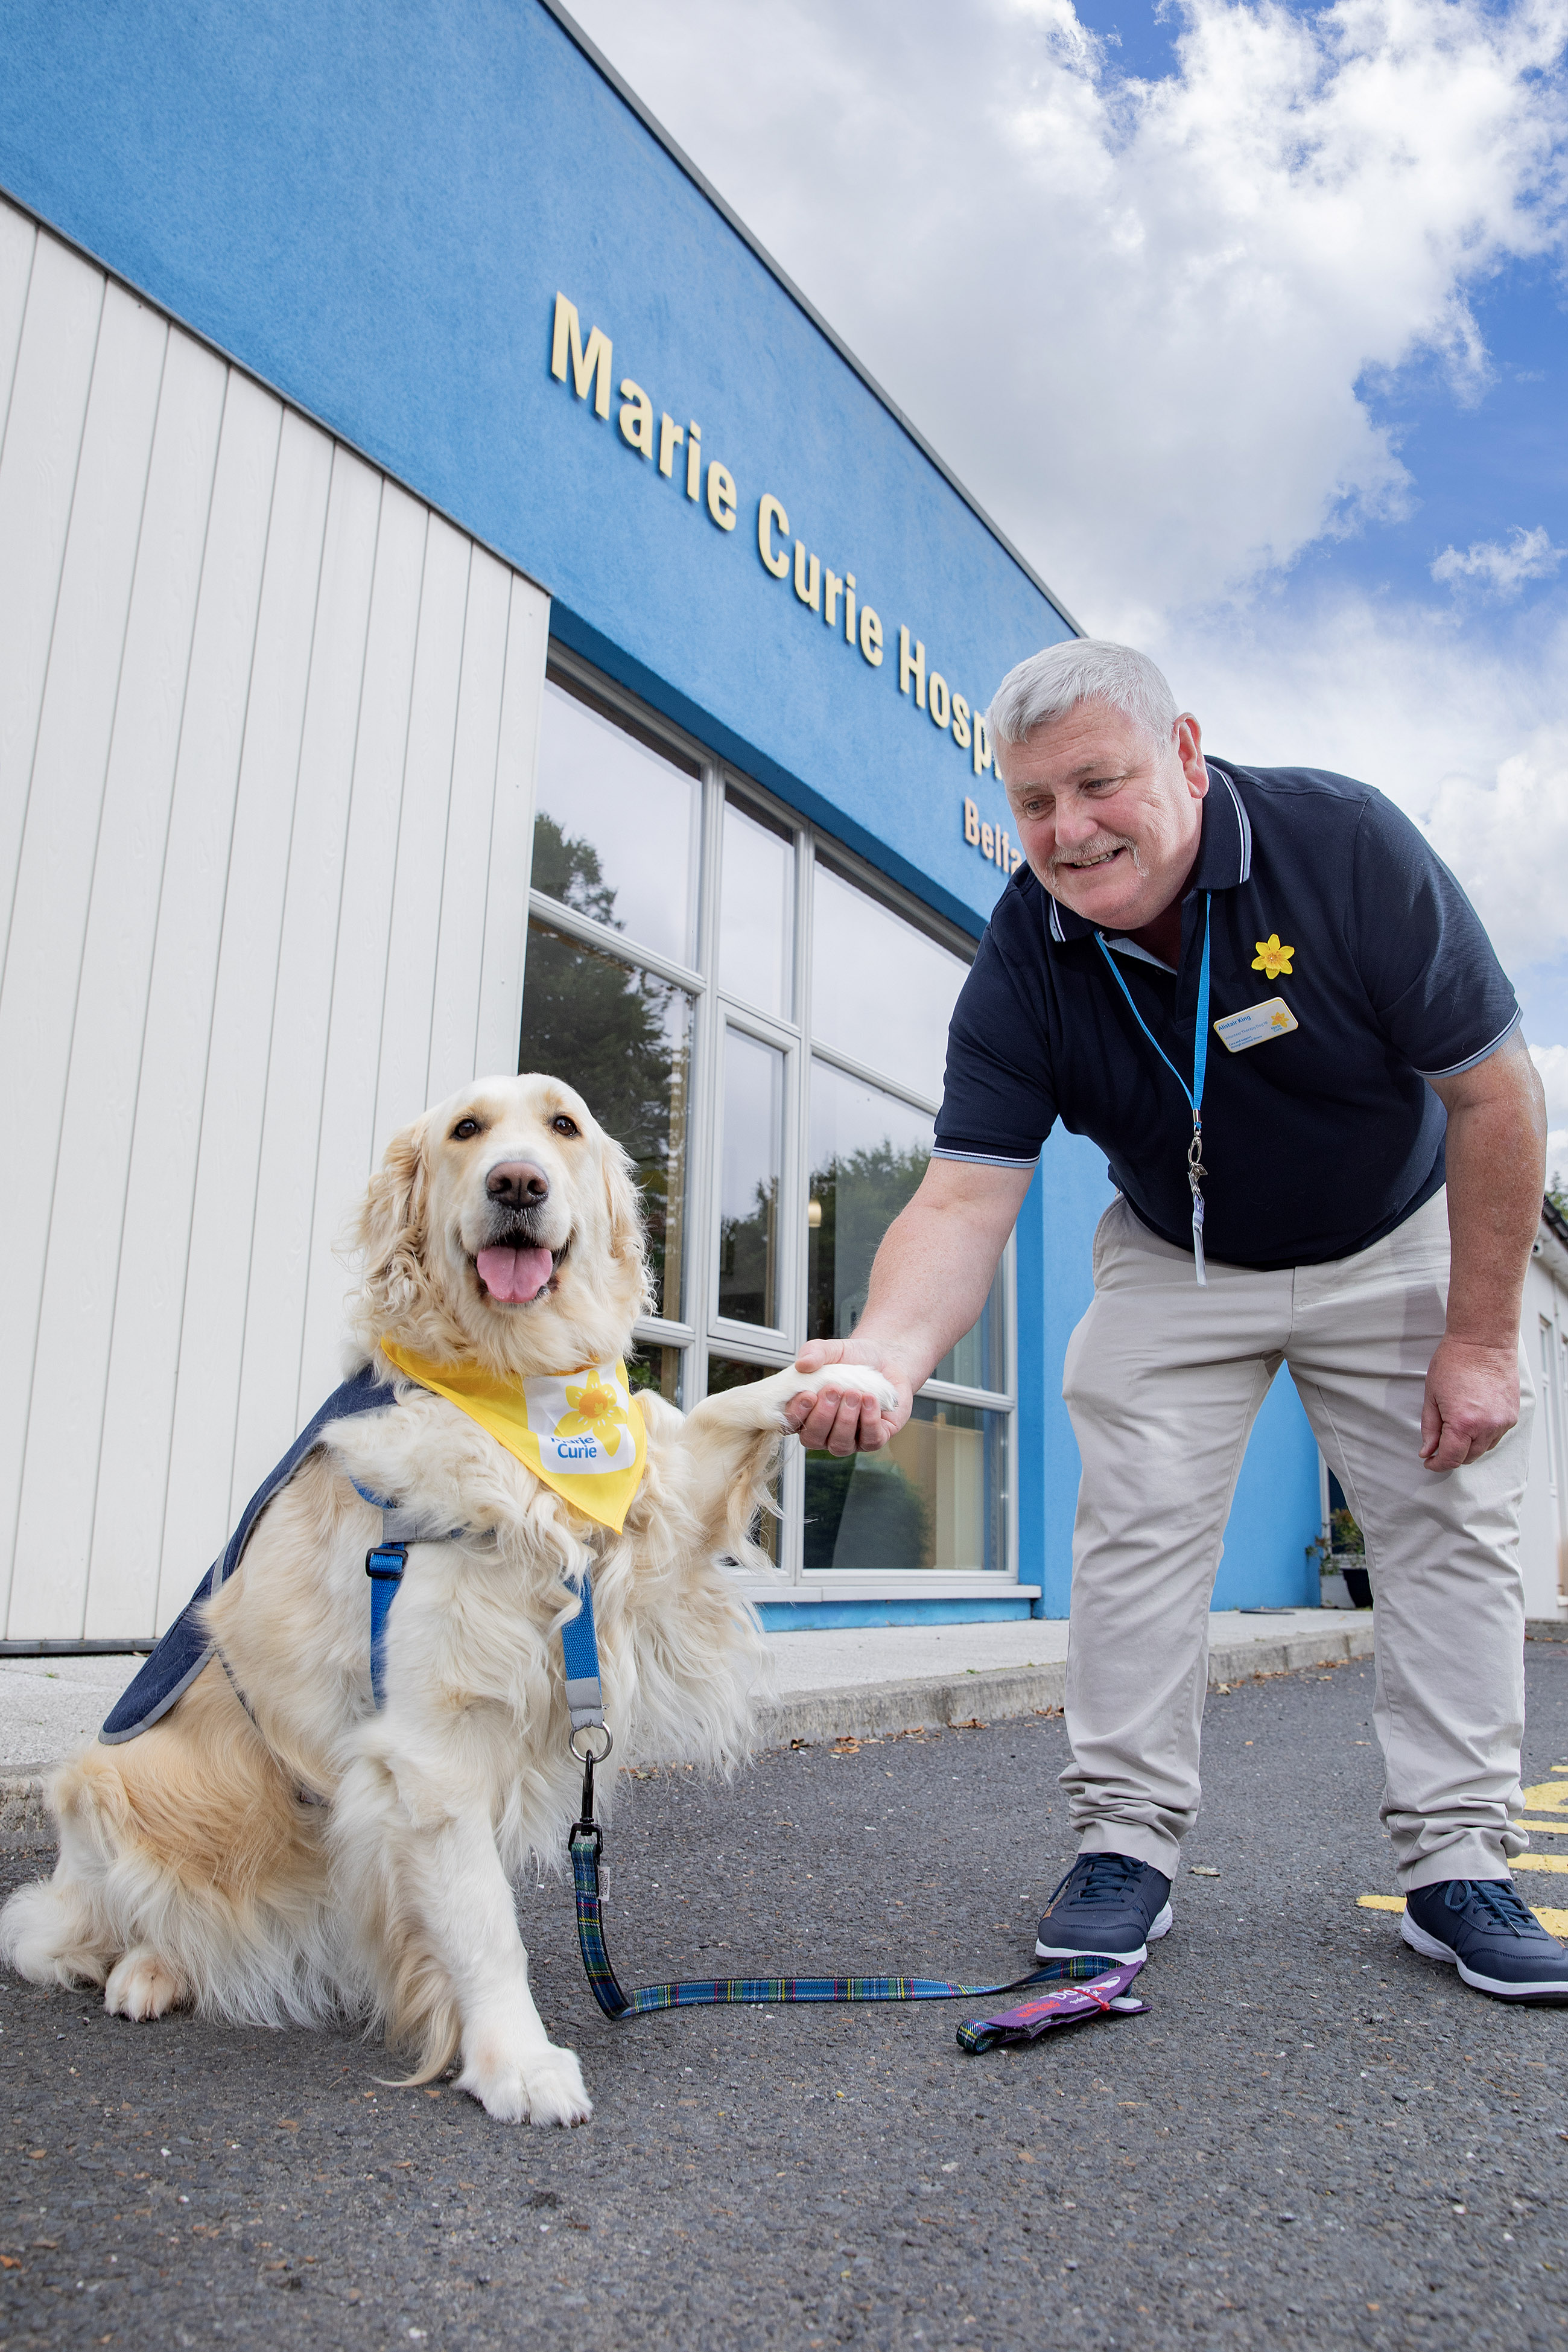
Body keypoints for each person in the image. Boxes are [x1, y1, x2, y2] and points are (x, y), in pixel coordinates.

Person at [784, 638, 1563, 2003]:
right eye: (1034, 802)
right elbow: (966, 1194)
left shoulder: (1345, 848)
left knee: (1447, 1524)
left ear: (1185, 755)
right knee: (1135, 1527)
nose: (1069, 831)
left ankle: (1456, 1863)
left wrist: (1484, 1337)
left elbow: (1496, 1096)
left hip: (1393, 1234)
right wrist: (884, 1353)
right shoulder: (1028, 946)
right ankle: (1122, 1841)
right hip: (1176, 1247)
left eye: (1099, 782)